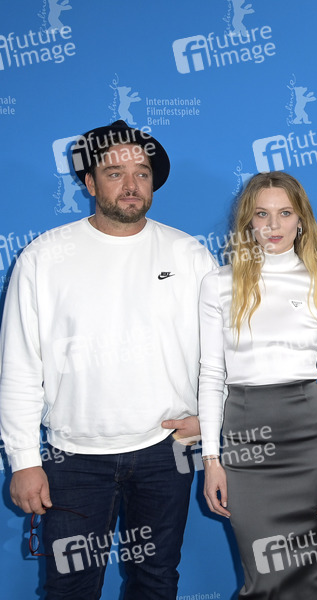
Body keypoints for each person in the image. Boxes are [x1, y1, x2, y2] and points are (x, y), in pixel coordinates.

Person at [0, 120, 217, 599]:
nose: (131, 184)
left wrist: (210, 418)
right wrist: (23, 459)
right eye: (115, 173)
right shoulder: (43, 258)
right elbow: (18, 366)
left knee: (156, 581)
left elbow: (221, 353)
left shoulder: (189, 255)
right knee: (69, 588)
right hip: (73, 458)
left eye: (142, 172)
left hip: (165, 452)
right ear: (90, 182)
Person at [198, 171, 317, 598]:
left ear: (301, 219)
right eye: (262, 214)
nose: (273, 225)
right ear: (248, 221)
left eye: (285, 213)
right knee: (262, 578)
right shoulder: (218, 284)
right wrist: (211, 458)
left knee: (306, 576)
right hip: (245, 441)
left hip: (309, 440)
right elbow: (211, 376)